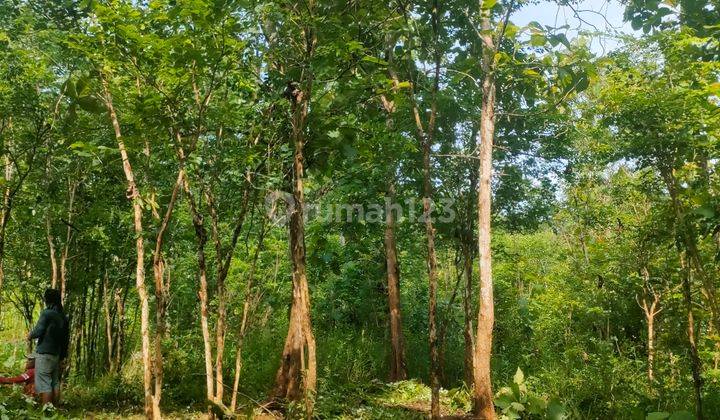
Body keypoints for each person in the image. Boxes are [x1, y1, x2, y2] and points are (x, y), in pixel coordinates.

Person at [27, 288, 69, 406]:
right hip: (56, 354)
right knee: (54, 382)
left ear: (47, 300)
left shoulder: (47, 313)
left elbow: (38, 331)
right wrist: (62, 357)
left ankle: (47, 413)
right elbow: (66, 339)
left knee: (44, 383)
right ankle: (55, 409)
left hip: (44, 354)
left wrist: (30, 335)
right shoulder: (63, 317)